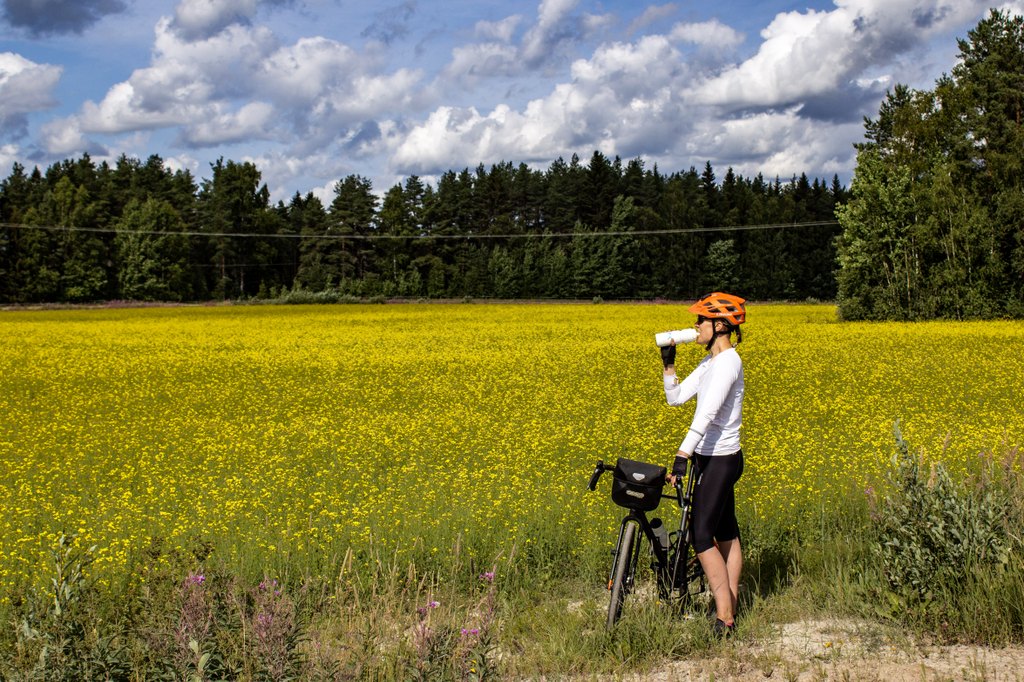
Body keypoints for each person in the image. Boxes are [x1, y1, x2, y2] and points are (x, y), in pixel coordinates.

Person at [659, 292, 746, 637]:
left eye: (701, 321)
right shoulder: (711, 362)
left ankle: (724, 616)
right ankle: (731, 605)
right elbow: (676, 398)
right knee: (725, 532)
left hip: (723, 459)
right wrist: (669, 365)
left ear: (720, 325)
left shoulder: (729, 363)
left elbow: (708, 414)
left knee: (701, 534)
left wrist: (682, 455)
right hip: (708, 457)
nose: (695, 327)